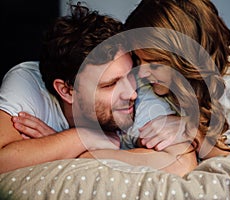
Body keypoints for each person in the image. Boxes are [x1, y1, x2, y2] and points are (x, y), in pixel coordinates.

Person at [0, 2, 197, 176]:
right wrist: (83, 138)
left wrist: (76, 153)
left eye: (130, 75)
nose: (131, 93)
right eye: (110, 84)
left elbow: (181, 163)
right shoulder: (29, 82)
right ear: (67, 91)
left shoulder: (142, 92)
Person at [123, 0, 230, 158]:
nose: (141, 73)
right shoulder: (148, 78)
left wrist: (191, 132)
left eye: (154, 64)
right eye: (138, 59)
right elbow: (143, 137)